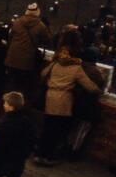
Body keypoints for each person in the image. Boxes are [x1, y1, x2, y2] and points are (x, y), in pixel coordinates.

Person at [35, 38, 101, 166]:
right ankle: (48, 157)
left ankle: (39, 154)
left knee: (47, 128)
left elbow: (43, 74)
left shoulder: (55, 64)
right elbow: (89, 86)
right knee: (57, 131)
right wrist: (99, 91)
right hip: (64, 100)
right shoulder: (76, 68)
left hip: (50, 97)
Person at [4, 3, 50, 106]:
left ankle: (7, 107)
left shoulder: (17, 22)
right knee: (22, 88)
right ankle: (18, 109)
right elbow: (47, 40)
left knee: (11, 85)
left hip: (12, 59)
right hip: (27, 62)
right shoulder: (41, 25)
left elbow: (10, 37)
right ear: (37, 12)